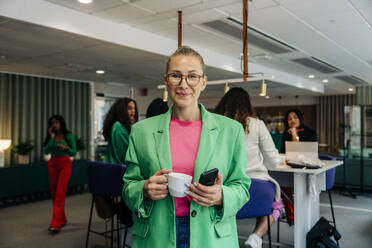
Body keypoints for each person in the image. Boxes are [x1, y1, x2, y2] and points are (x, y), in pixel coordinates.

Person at [123, 46, 251, 248]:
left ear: (203, 82)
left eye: (192, 76)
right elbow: (129, 185)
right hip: (158, 232)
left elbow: (242, 187)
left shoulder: (231, 130)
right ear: (166, 80)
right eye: (176, 76)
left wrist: (222, 195)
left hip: (210, 233)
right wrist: (144, 189)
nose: (184, 84)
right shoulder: (141, 131)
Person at [214, 87, 283, 248]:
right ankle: (256, 236)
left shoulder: (217, 125)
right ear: (248, 105)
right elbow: (273, 162)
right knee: (277, 205)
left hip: (225, 189)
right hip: (257, 188)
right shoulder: (257, 125)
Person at [280, 109, 318, 225]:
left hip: (306, 169)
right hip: (290, 168)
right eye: (289, 118)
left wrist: (295, 135)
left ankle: (302, 215)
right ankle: (292, 215)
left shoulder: (310, 133)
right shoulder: (286, 133)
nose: (292, 120)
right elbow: (283, 152)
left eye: (295, 117)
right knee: (280, 185)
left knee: (301, 189)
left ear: (300, 118)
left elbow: (306, 153)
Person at [43, 115, 77, 234]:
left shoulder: (68, 136)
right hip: (53, 164)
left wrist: (66, 148)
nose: (54, 125)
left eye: (56, 122)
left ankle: (55, 224)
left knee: (60, 194)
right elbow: (46, 151)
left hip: (65, 164)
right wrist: (52, 137)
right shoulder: (51, 136)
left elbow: (74, 151)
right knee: (54, 194)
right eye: (52, 123)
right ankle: (62, 219)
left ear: (61, 123)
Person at [103, 97, 138, 164]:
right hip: (117, 168)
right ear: (122, 110)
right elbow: (125, 152)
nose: (133, 111)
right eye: (130, 108)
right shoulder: (118, 127)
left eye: (134, 108)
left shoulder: (118, 126)